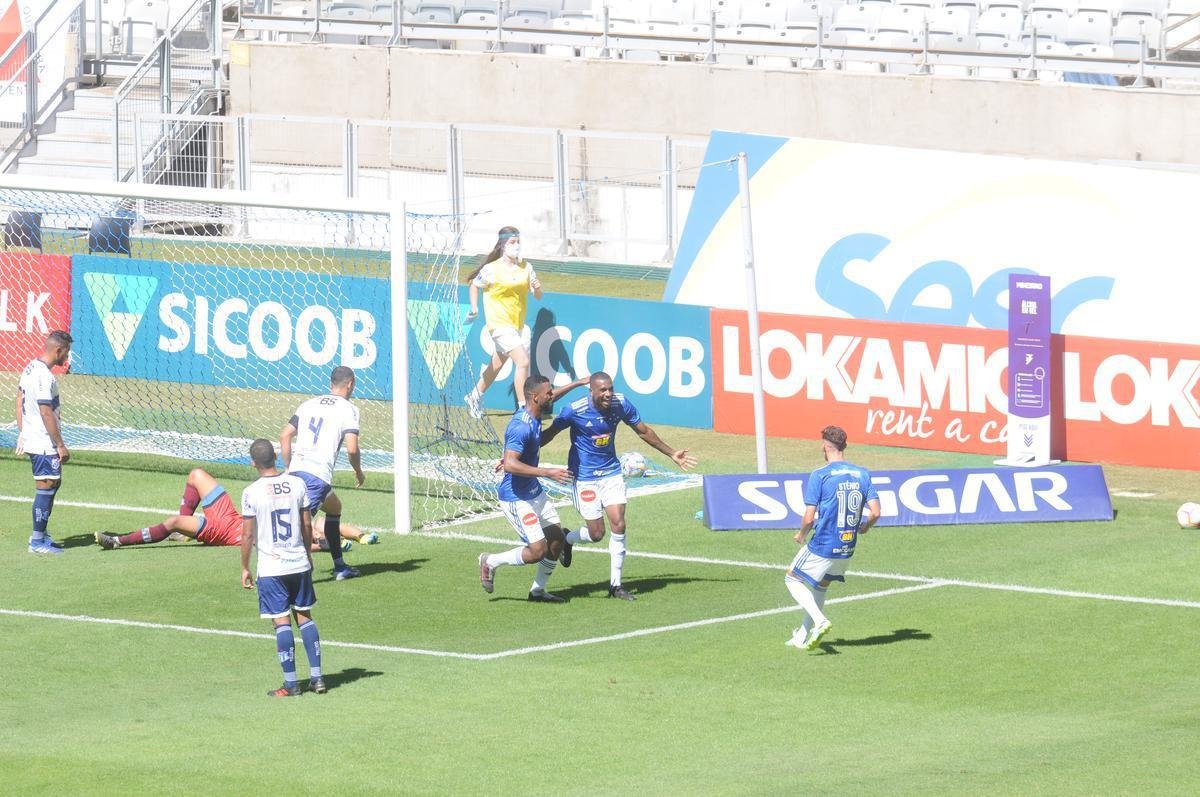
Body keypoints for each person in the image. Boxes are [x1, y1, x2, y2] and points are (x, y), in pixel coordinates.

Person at [540, 371, 698, 601]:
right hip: (584, 477)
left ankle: (616, 585)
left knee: (619, 523)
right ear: (591, 391)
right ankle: (568, 539)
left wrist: (672, 453)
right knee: (596, 534)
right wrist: (521, 454)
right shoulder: (575, 410)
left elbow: (643, 431)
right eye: (603, 390)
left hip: (612, 473)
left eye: (610, 389)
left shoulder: (621, 403)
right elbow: (550, 434)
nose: (608, 394)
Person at [784, 425, 881, 651]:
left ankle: (820, 621)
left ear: (826, 447)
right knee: (821, 586)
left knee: (792, 579)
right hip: (847, 544)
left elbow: (809, 517)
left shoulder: (820, 475)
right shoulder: (862, 473)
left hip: (824, 542)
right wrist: (865, 526)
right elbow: (875, 512)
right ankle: (801, 635)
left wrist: (801, 534)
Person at [478, 375, 574, 603]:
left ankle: (538, 591)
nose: (552, 395)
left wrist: (579, 383)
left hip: (534, 491)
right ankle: (490, 561)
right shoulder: (521, 426)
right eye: (548, 393)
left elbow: (552, 399)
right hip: (516, 497)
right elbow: (510, 464)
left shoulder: (534, 413)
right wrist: (548, 472)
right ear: (535, 397)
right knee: (537, 550)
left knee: (556, 539)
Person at [240, 438, 324, 697]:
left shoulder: (251, 492)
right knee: (305, 616)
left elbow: (247, 535)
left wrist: (244, 567)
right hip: (298, 562)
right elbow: (307, 524)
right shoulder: (296, 483)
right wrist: (308, 554)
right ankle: (317, 678)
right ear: (275, 457)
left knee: (281, 622)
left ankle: (291, 684)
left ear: (253, 462)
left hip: (272, 568)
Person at [280, 365, 366, 581]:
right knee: (298, 527)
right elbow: (352, 448)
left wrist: (288, 468)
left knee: (334, 507)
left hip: (299, 472)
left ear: (330, 384)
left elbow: (285, 436)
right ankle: (290, 574)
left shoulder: (308, 404)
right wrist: (358, 471)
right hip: (316, 476)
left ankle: (340, 567)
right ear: (350, 384)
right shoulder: (349, 409)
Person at [463, 226, 543, 419]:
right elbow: (474, 284)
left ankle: (474, 396)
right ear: (502, 245)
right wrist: (474, 308)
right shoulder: (491, 269)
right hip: (498, 324)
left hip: (516, 325)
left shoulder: (527, 268)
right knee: (523, 361)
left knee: (497, 364)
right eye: (512, 242)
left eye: (518, 242)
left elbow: (538, 296)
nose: (516, 246)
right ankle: (523, 409)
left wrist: (537, 288)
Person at [15, 330, 72, 555]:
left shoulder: (30, 367)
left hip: (35, 437)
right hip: (43, 441)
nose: (67, 357)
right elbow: (46, 411)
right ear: (58, 350)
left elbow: (19, 400)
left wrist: (23, 432)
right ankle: (36, 541)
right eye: (66, 352)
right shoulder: (43, 376)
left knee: (53, 483)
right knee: (46, 485)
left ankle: (42, 533)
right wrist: (60, 444)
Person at [94, 468, 244, 550]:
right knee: (196, 475)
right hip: (230, 517)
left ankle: (117, 541)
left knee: (173, 522)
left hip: (227, 532)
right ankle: (182, 533)